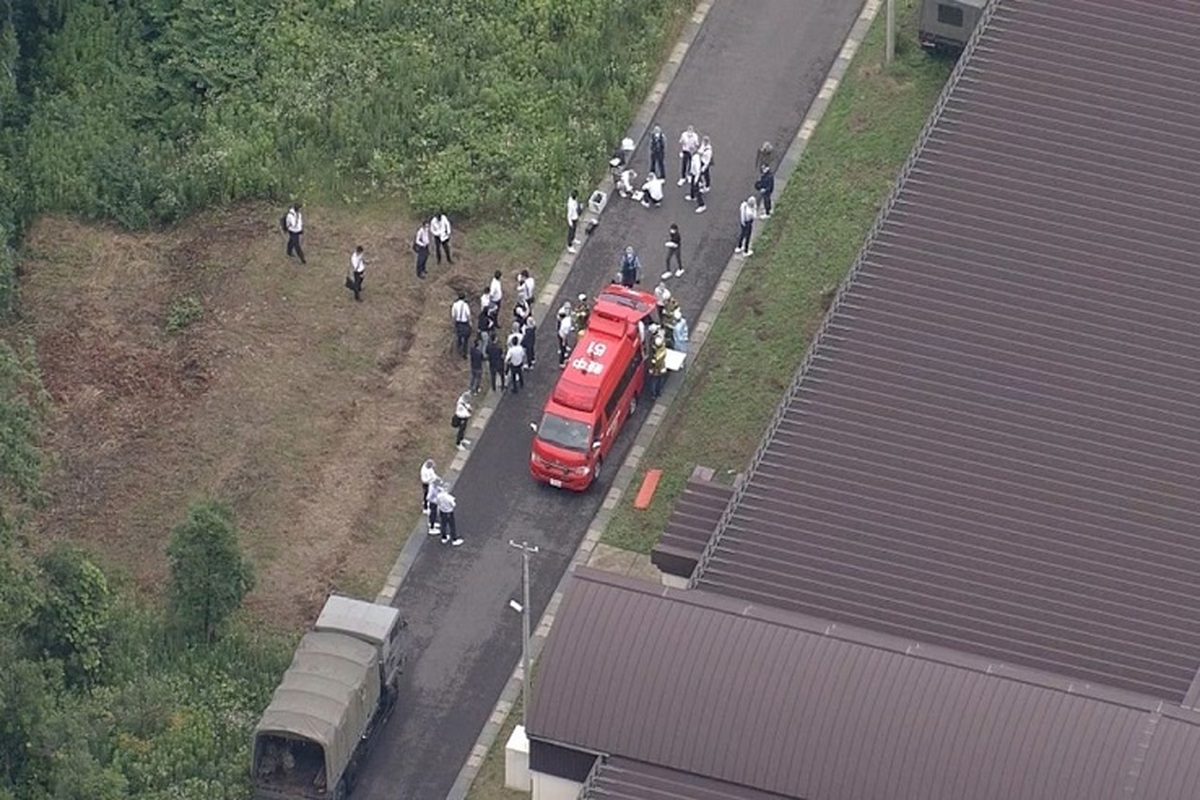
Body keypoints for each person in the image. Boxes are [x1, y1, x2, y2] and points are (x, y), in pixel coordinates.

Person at [451, 292, 472, 358]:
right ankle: (464, 353)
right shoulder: (465, 305)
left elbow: (453, 315)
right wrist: (470, 322)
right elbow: (468, 315)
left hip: (458, 322)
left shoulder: (455, 304)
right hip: (464, 323)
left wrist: (454, 323)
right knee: (466, 339)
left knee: (459, 336)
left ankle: (458, 349)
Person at [647, 332, 668, 398]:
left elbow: (654, 361)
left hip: (656, 369)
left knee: (654, 382)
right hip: (661, 369)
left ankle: (654, 394)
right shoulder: (663, 348)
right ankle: (658, 392)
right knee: (659, 381)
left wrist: (651, 366)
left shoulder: (656, 352)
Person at [557, 302, 574, 367]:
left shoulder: (568, 316)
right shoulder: (561, 312)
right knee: (562, 348)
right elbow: (564, 334)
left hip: (563, 331)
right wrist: (564, 342)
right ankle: (561, 362)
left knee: (564, 344)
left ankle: (564, 350)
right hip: (562, 334)